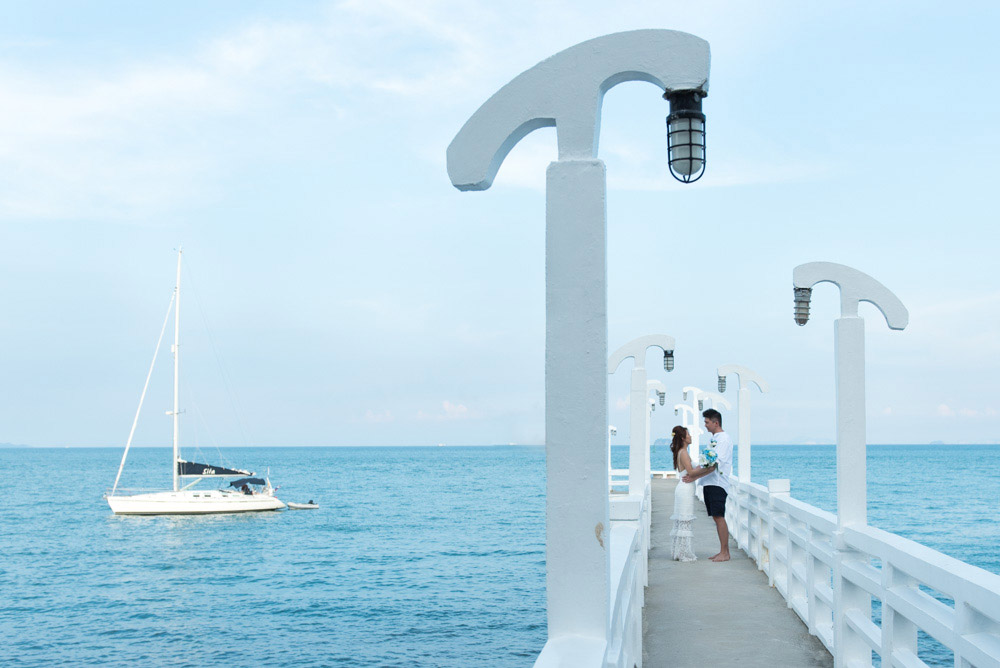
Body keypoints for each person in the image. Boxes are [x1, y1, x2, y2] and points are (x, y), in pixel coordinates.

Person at [683, 408, 733, 562]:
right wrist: (694, 474)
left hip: (717, 483)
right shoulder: (715, 439)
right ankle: (723, 551)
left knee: (719, 517)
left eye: (707, 422)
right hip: (710, 483)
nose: (705, 425)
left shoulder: (723, 439)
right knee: (716, 517)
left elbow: (713, 465)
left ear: (715, 423)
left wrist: (693, 475)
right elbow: (707, 463)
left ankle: (725, 553)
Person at [669, 426, 697, 562]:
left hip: (683, 487)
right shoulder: (684, 453)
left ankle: (679, 551)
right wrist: (707, 468)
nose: (690, 436)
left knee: (682, 521)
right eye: (688, 434)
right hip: (685, 489)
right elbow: (691, 472)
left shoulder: (680, 451)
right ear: (683, 438)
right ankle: (683, 553)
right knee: (685, 520)